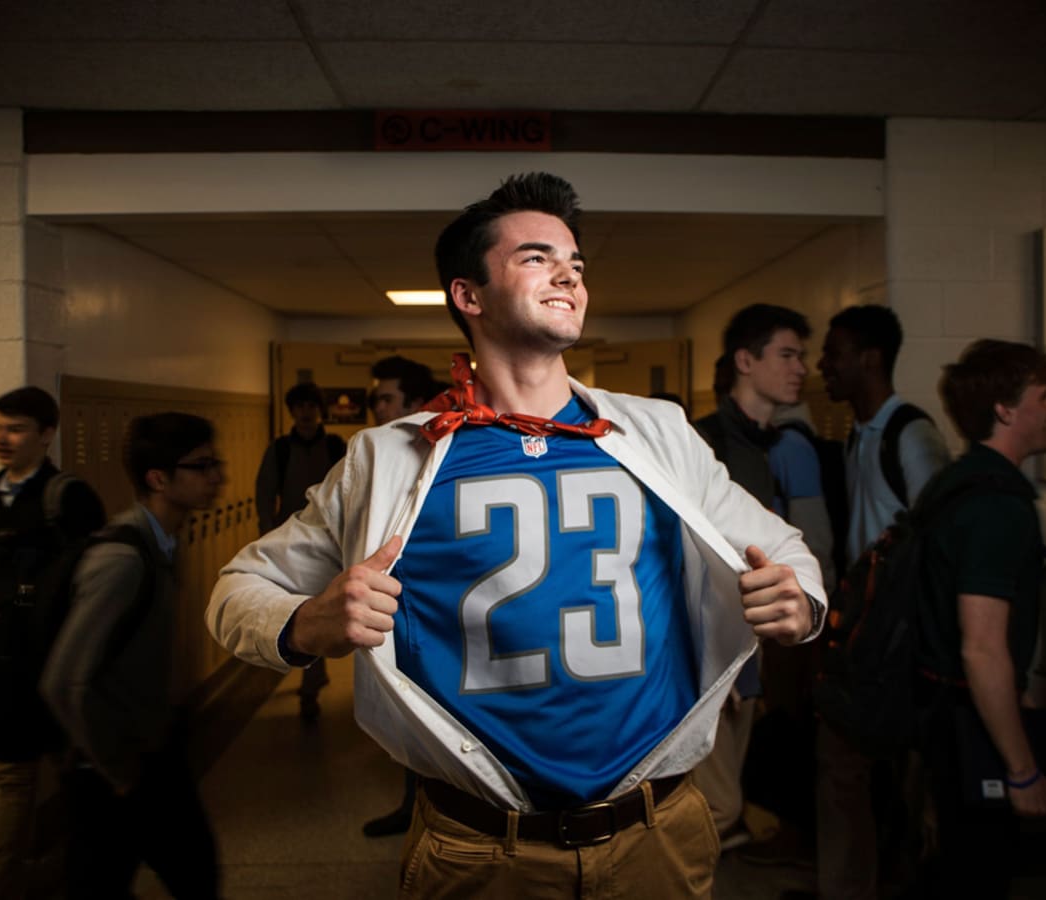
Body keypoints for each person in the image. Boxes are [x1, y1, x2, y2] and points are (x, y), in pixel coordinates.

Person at [208, 172, 826, 899]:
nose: (568, 273)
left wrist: (801, 600)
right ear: (468, 296)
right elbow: (235, 590)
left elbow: (782, 547)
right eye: (536, 257)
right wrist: (308, 622)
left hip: (657, 830)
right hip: (478, 847)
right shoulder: (392, 457)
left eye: (576, 263)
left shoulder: (654, 431)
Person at [41, 412, 223, 899]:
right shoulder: (121, 559)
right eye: (202, 466)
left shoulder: (163, 542)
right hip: (115, 768)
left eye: (215, 463)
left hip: (153, 751)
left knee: (191, 874)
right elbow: (63, 681)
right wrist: (117, 771)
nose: (217, 477)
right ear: (158, 478)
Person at [914, 339, 1046, 899]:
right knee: (978, 872)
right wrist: (1022, 770)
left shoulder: (958, 482)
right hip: (965, 724)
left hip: (939, 715)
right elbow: (982, 648)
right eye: (1043, 396)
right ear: (1005, 409)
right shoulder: (996, 505)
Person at [813, 304, 950, 900]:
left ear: (869, 358)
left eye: (834, 353)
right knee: (848, 768)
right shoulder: (857, 435)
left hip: (899, 638)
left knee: (904, 777)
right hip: (862, 630)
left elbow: (938, 541)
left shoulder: (910, 433)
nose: (824, 366)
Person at [691, 304, 831, 851]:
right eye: (788, 355)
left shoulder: (795, 446)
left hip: (777, 643)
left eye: (804, 356)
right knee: (716, 803)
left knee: (734, 788)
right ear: (746, 360)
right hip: (715, 645)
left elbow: (815, 550)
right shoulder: (696, 444)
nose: (801, 368)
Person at [0, 387, 104, 899]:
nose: (2, 437)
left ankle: (86, 871)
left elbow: (98, 583)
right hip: (7, 664)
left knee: (76, 776)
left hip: (60, 660)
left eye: (15, 428)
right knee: (12, 775)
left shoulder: (69, 498)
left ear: (46, 434)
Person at [360, 355, 447, 839]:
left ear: (414, 403)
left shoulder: (443, 452)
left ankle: (432, 814)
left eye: (385, 399)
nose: (376, 407)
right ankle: (414, 807)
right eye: (375, 398)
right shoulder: (375, 456)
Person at [254, 382, 345, 720]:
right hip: (287, 541)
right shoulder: (279, 449)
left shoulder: (336, 446)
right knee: (289, 608)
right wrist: (266, 532)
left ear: (319, 409)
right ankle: (292, 664)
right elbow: (264, 492)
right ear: (292, 410)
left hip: (326, 543)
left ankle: (311, 685)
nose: (306, 412)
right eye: (300, 406)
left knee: (318, 610)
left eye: (311, 405)